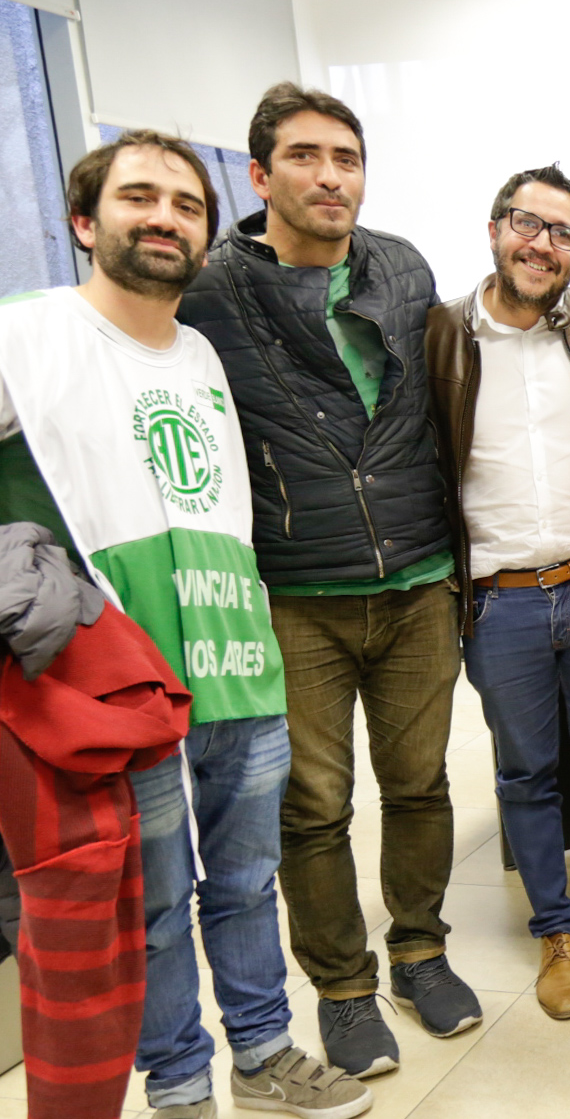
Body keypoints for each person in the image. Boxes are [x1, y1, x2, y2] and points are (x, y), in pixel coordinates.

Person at [0, 130, 370, 1119]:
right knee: (153, 903)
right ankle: (177, 1085)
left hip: (238, 662)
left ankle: (264, 1054)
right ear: (85, 222)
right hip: (120, 683)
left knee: (247, 881)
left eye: (186, 204)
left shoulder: (199, 350)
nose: (164, 217)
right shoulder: (27, 335)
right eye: (139, 197)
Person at [177, 83, 478, 1077]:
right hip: (294, 592)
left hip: (418, 581)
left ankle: (420, 951)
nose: (329, 175)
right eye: (304, 156)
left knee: (420, 785)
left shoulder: (402, 265)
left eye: (346, 158)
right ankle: (344, 989)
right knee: (312, 807)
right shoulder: (210, 292)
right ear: (259, 176)